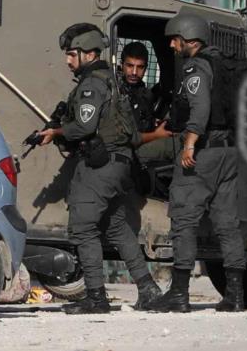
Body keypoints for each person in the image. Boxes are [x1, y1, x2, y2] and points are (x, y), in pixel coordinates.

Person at [37, 23, 162, 314]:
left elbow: (84, 125)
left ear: (89, 53)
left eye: (72, 54)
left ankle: (96, 297)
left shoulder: (93, 83)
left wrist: (55, 133)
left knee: (82, 228)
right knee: (117, 228)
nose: (68, 60)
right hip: (118, 165)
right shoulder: (109, 80)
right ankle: (148, 289)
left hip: (101, 167)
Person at [147, 13, 247, 313]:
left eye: (175, 40)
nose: (173, 46)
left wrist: (189, 143)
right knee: (228, 224)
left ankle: (179, 294)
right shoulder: (226, 67)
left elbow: (200, 108)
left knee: (184, 219)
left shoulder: (196, 67)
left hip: (203, 152)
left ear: (190, 39)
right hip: (230, 153)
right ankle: (236, 295)